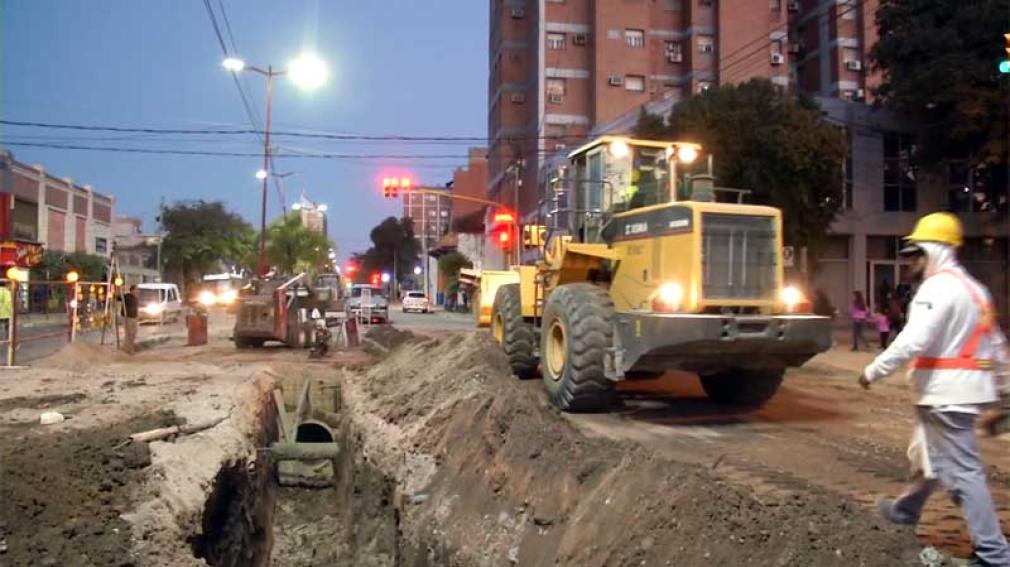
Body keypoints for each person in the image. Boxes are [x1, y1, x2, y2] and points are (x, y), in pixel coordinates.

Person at [857, 212, 1010, 567]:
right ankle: (904, 510)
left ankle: (994, 554)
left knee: (962, 473)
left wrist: (872, 371)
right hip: (959, 393)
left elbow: (913, 340)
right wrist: (1005, 394)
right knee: (927, 456)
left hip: (945, 394)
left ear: (934, 249)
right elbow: (997, 345)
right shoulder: (976, 291)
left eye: (915, 253)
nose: (910, 261)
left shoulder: (936, 288)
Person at [121, 285, 139, 354]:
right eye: (136, 290)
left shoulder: (136, 298)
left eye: (137, 290)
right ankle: (128, 349)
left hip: (134, 318)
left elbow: (136, 308)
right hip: (128, 318)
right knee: (128, 333)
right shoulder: (126, 296)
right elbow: (119, 297)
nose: (137, 291)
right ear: (132, 290)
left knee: (134, 333)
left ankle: (128, 347)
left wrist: (137, 316)